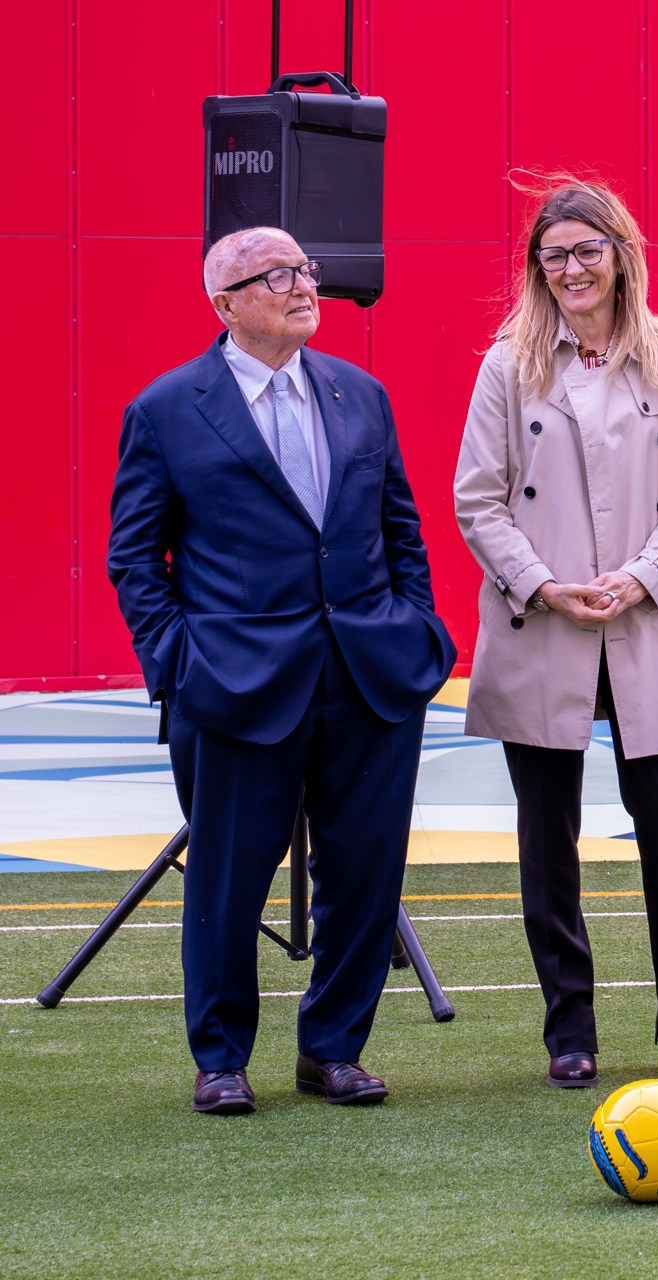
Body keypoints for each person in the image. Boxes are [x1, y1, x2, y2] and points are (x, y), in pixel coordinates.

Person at [107, 227, 456, 1114]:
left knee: (365, 874)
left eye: (305, 270)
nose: (304, 286)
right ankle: (221, 1059)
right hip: (233, 685)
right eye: (277, 276)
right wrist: (178, 664)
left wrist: (416, 627)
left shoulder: (360, 393)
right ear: (225, 303)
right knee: (226, 880)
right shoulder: (167, 408)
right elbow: (136, 559)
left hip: (370, 674)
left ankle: (334, 1049)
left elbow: (401, 530)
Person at [454, 179, 658, 1088]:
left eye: (586, 250)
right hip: (544, 620)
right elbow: (478, 500)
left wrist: (642, 575)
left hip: (650, 619)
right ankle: (569, 1030)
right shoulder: (509, 366)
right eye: (554, 256)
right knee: (547, 835)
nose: (571, 270)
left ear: (620, 255)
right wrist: (543, 584)